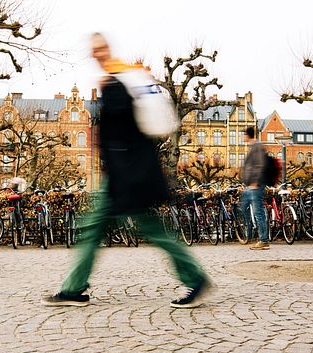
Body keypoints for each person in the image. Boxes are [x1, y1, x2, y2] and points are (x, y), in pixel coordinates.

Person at [41, 33, 213, 309]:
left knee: (151, 231)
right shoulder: (121, 80)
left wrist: (119, 176)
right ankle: (73, 288)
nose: (94, 54)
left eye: (97, 49)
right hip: (126, 175)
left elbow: (120, 136)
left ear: (104, 50)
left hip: (127, 178)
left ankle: (195, 277)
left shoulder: (117, 83)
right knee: (97, 229)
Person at [240, 126, 270, 250]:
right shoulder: (253, 146)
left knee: (258, 212)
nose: (243, 137)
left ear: (248, 135)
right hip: (250, 185)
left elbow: (259, 164)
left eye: (244, 135)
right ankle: (250, 232)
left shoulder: (257, 146)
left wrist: (255, 181)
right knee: (243, 206)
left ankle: (263, 240)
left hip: (255, 184)